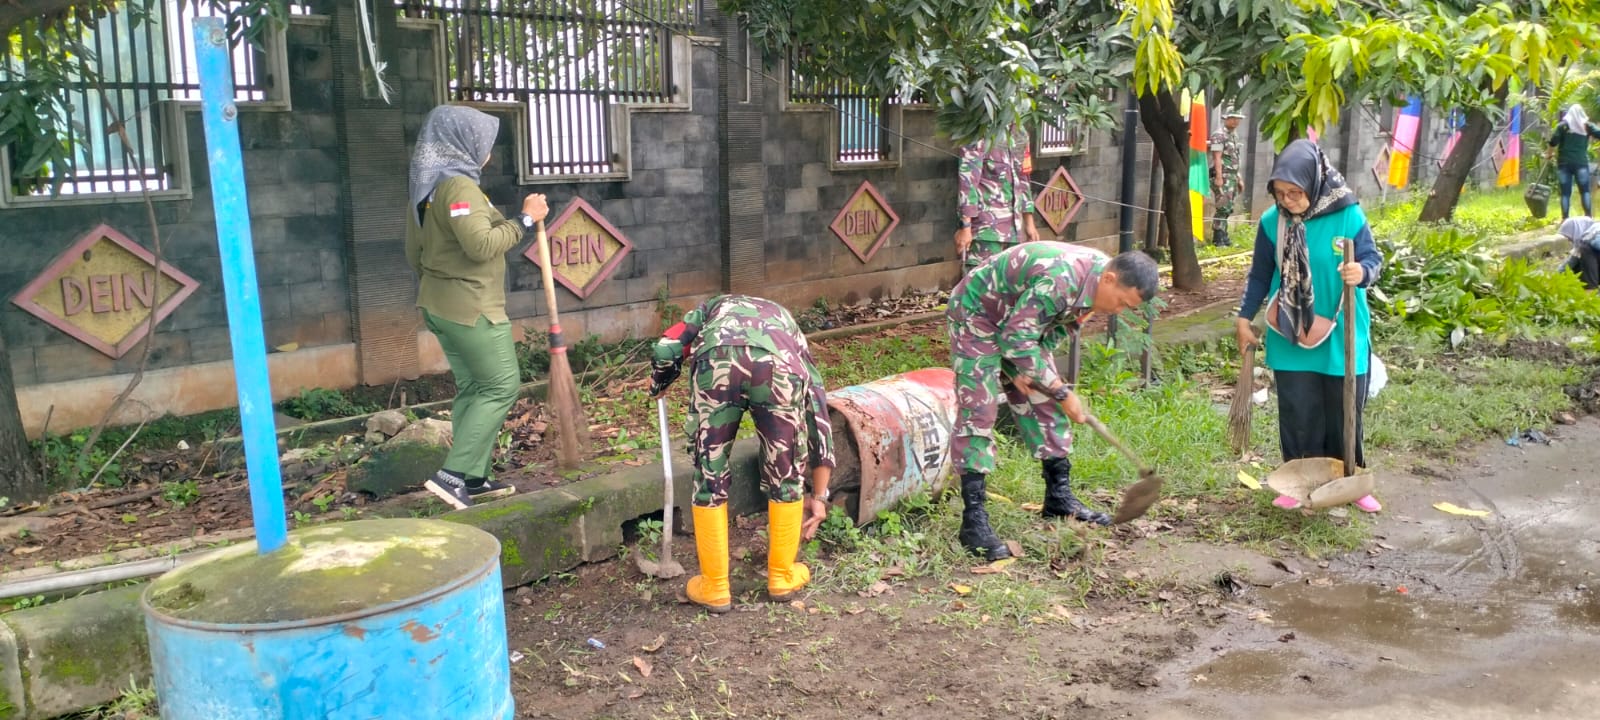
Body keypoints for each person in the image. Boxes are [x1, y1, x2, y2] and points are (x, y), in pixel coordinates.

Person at [946, 242, 1160, 560]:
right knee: (980, 408)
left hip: (1018, 326)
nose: (1118, 311)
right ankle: (973, 521)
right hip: (978, 314)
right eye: (1121, 303)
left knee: (1043, 397)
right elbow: (1017, 339)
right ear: (1110, 279)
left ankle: (1058, 498)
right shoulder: (1061, 279)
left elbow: (1059, 330)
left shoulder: (1096, 286)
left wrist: (1031, 372)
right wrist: (1061, 391)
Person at [650, 295, 836, 613]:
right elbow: (816, 416)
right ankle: (781, 577)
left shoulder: (709, 310)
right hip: (779, 367)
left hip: (715, 363)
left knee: (710, 469)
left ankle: (715, 586)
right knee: (785, 467)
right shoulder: (788, 328)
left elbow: (666, 348)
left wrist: (660, 382)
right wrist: (819, 494)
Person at [406, 105, 548, 510]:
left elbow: (413, 251)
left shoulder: (426, 186)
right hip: (472, 308)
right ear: (463, 143)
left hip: (439, 303)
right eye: (484, 142)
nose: (488, 150)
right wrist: (525, 218)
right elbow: (481, 244)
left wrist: (440, 277)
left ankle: (473, 477)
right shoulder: (460, 189)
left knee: (474, 388)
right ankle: (453, 475)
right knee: (502, 385)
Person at [1234, 139, 1383, 513]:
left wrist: (1360, 271)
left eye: (1295, 193)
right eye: (1280, 194)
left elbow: (1373, 260)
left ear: (1314, 183)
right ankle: (1299, 479)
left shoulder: (1348, 216)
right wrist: (1243, 318)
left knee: (1344, 408)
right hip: (1289, 327)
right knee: (1299, 410)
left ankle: (1351, 480)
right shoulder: (1273, 223)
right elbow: (1259, 276)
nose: (1287, 201)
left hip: (1342, 330)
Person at [954, 125, 1039, 272]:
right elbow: (968, 181)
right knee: (979, 289)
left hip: (1015, 233)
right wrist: (965, 227)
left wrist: (1029, 224)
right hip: (985, 232)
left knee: (1008, 290)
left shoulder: (1020, 133)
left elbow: (1024, 178)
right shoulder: (978, 131)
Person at [1545, 104, 1600, 220]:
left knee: (1565, 193)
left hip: (1564, 163)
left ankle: (1565, 219)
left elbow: (1553, 142)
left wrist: (1549, 154)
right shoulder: (1587, 126)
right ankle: (1588, 217)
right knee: (1585, 191)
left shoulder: (1562, 126)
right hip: (1581, 163)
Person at [1209, 109, 1247, 247]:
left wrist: (1239, 177)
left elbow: (1235, 158)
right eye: (1233, 118)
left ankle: (1224, 236)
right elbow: (1217, 157)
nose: (1236, 121)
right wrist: (1219, 177)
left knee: (1229, 207)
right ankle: (1218, 237)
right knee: (1223, 207)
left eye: (1238, 118)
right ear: (1227, 118)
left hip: (1232, 175)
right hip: (1223, 175)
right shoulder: (1218, 135)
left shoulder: (1234, 136)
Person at [1559, 216, 1600, 290]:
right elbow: (1571, 261)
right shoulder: (1589, 235)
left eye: (1569, 237)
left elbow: (1569, 263)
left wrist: (1556, 275)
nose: (1569, 240)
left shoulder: (1588, 237)